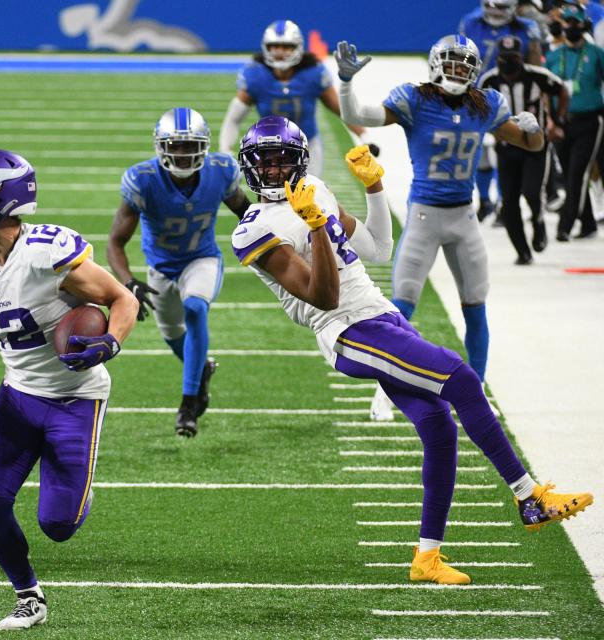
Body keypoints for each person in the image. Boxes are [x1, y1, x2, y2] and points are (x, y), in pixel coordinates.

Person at [231, 115, 593, 584]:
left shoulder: (314, 188)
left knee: (438, 425)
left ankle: (426, 558)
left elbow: (380, 248)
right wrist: (316, 227)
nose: (276, 171)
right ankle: (529, 496)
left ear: (299, 161)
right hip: (346, 329)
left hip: (380, 316)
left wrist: (376, 188)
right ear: (251, 167)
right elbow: (324, 296)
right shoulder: (253, 229)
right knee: (461, 377)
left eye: (284, 161)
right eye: (267, 162)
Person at [0, 149, 138, 631]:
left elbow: (123, 299)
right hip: (17, 395)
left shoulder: (46, 252)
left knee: (58, 526)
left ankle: (76, 492)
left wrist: (109, 343)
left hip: (76, 398)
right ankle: (28, 595)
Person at [335, 36, 546, 421]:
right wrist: (346, 83)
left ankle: (475, 392)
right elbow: (361, 115)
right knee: (400, 307)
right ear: (435, 64)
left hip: (464, 217)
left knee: (476, 305)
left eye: (464, 64)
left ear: (475, 69)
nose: (456, 70)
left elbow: (531, 145)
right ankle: (386, 389)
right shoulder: (415, 99)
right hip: (424, 217)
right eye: (450, 62)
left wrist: (536, 130)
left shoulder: (485, 104)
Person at [108, 107, 251, 437]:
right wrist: (128, 282)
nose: (184, 153)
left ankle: (188, 406)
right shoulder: (142, 180)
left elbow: (247, 212)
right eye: (176, 145)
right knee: (174, 335)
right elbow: (115, 242)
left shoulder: (220, 170)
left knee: (195, 308)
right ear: (160, 146)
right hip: (160, 267)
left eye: (191, 145)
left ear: (204, 145)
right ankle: (202, 372)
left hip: (201, 259)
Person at [219, 20, 376, 178]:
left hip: (307, 145)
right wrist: (225, 150)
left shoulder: (313, 73)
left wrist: (364, 136)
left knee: (310, 195)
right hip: (269, 148)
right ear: (266, 48)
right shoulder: (255, 76)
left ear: (298, 47)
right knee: (272, 197)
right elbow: (234, 118)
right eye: (274, 46)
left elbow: (341, 110)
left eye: (286, 46)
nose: (280, 52)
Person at [481, 35, 569, 263]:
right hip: (505, 147)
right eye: (505, 58)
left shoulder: (537, 76)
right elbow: (476, 107)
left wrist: (557, 121)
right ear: (498, 59)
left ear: (521, 58)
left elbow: (562, 89)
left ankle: (538, 222)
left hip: (534, 146)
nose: (509, 62)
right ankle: (522, 251)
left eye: (513, 58)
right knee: (509, 202)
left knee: (531, 192)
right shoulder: (489, 81)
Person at [460, 1, 543, 222]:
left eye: (501, 7)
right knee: (479, 152)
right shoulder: (470, 22)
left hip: (510, 98)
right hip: (475, 95)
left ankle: (502, 202)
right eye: (491, 5)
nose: (495, 11)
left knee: (504, 150)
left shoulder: (527, 28)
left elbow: (536, 69)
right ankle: (485, 200)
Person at [546, 3, 604, 239]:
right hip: (561, 122)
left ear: (584, 25)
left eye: (575, 23)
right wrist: (549, 120)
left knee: (577, 173)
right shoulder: (553, 57)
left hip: (590, 120)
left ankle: (565, 225)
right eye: (567, 23)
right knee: (570, 170)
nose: (571, 27)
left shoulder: (595, 54)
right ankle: (588, 222)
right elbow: (545, 91)